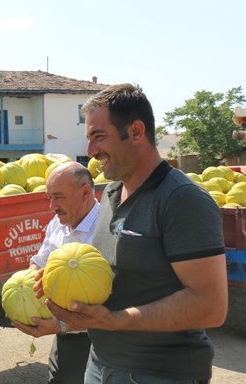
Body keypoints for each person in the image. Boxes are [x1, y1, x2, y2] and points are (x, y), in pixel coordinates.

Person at [45, 83, 227, 384]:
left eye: (98, 137)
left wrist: (116, 321)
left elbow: (211, 305)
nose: (91, 151)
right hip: (100, 366)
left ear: (136, 132)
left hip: (160, 374)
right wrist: (60, 285)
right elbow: (111, 280)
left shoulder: (182, 199)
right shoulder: (111, 194)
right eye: (89, 139)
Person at [13, 162, 99, 384]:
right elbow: (39, 262)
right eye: (49, 197)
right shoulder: (58, 222)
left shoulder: (107, 229)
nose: (52, 206)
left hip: (100, 341)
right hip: (65, 337)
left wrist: (61, 325)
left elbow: (117, 305)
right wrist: (26, 290)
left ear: (85, 192)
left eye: (58, 197)